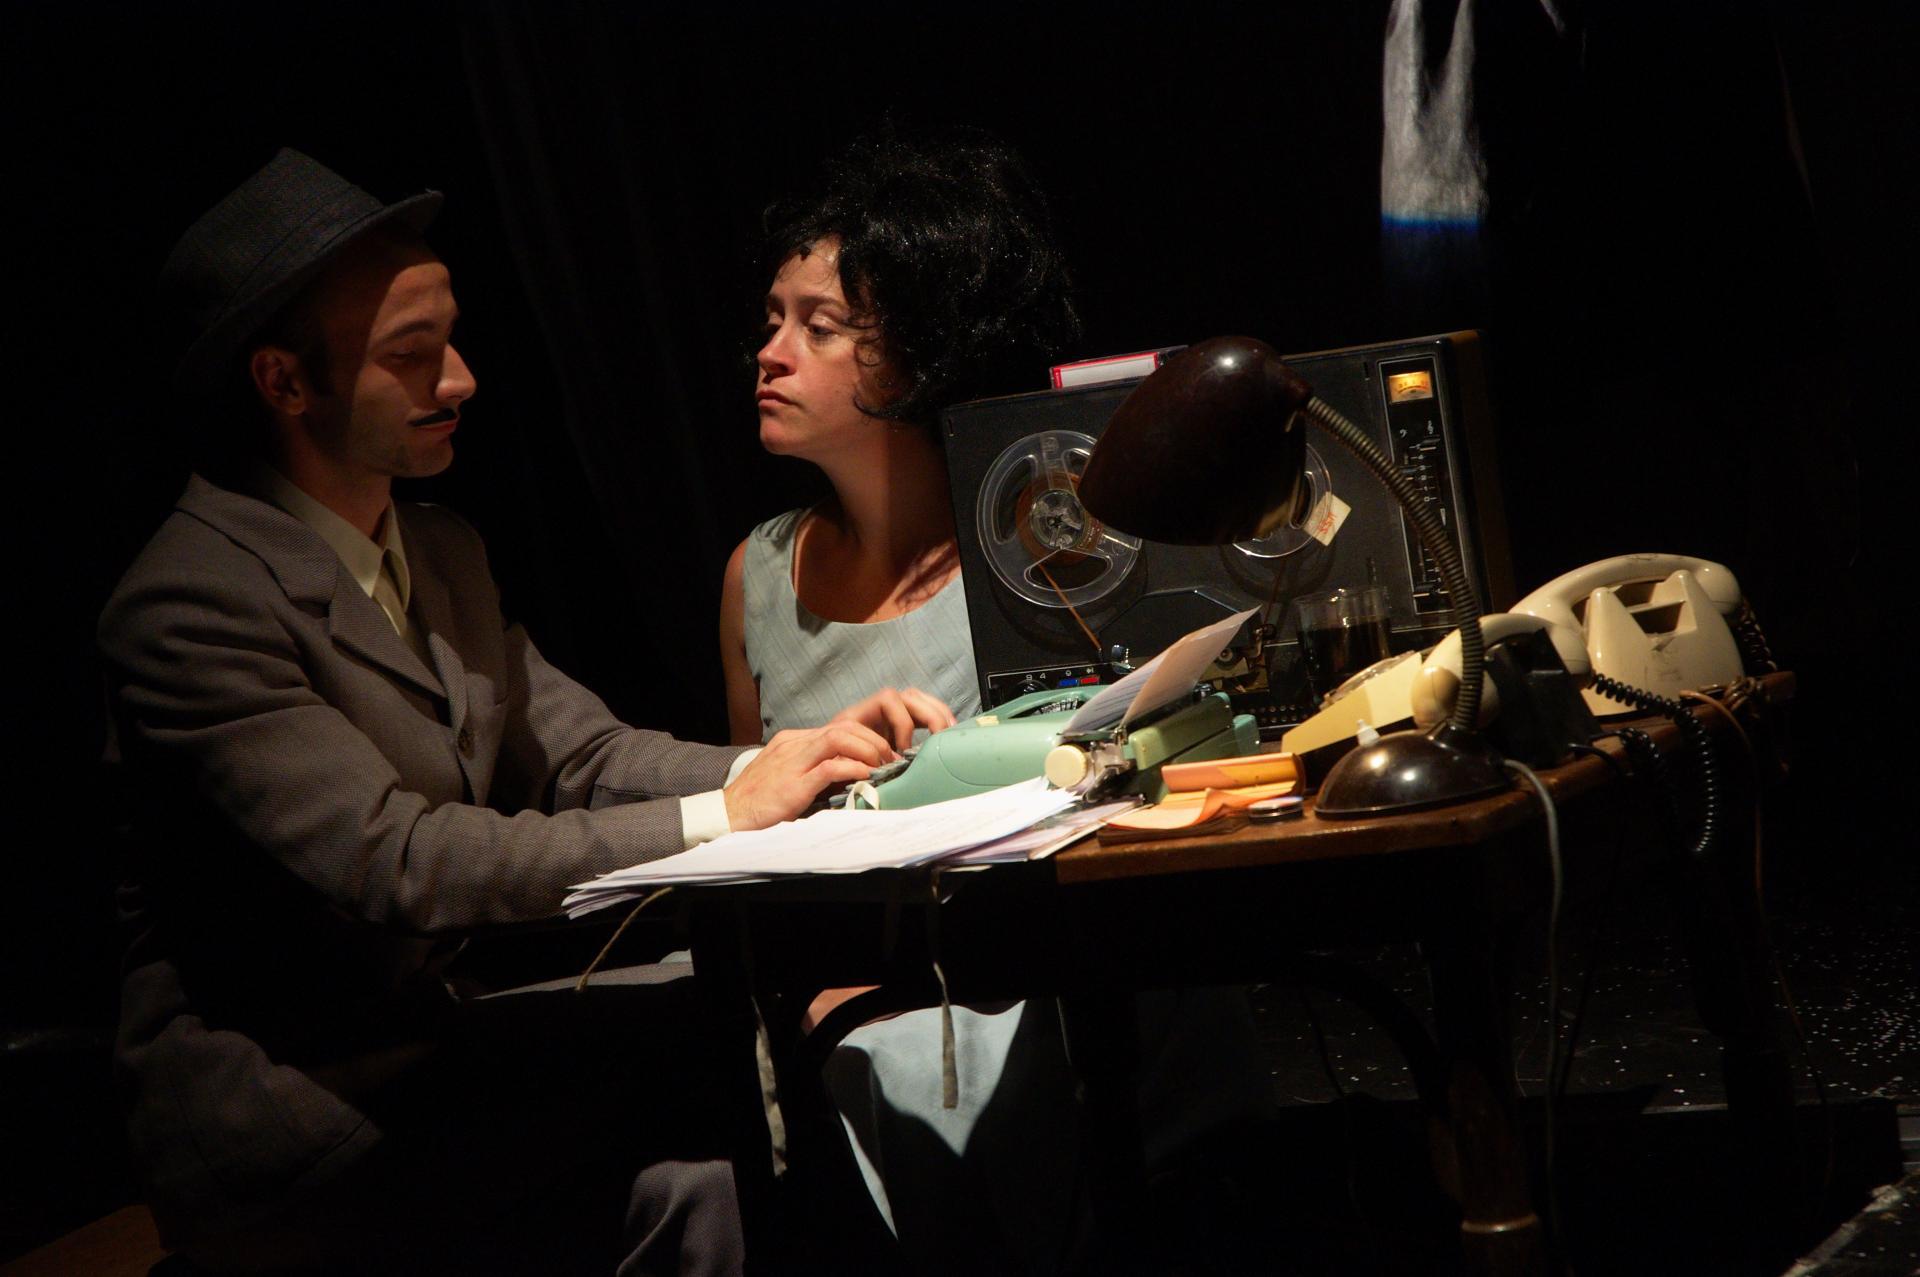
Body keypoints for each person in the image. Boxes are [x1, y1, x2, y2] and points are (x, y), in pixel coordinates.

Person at [98, 148, 948, 1276]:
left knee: (735, 1089)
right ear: (284, 383)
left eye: (451, 341)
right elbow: (398, 859)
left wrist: (790, 759)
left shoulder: (439, 548)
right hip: (301, 1106)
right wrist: (726, 813)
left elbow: (582, 751)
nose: (459, 381)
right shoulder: (190, 599)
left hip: (440, 1045)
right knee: (725, 1037)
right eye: (411, 355)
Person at [719, 128, 1275, 1272]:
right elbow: (751, 824)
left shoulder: (1038, 556)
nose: (770, 353)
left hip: (1045, 966)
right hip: (853, 993)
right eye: (772, 320)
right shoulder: (755, 575)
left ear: (919, 356)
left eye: (819, 327)